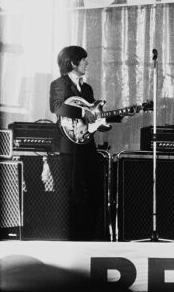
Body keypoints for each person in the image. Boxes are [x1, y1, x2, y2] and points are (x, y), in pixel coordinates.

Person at [49, 46, 122, 241]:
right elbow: (56, 108)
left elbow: (95, 117)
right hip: (68, 146)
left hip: (87, 145)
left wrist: (118, 116)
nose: (87, 63)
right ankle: (74, 239)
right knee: (73, 195)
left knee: (97, 192)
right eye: (84, 60)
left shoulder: (87, 88)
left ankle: (87, 236)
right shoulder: (59, 84)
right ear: (73, 63)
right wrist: (82, 113)